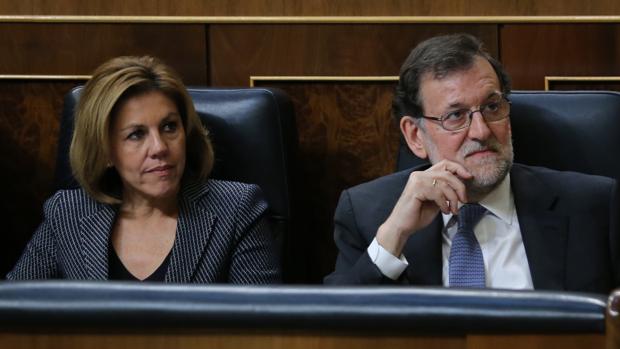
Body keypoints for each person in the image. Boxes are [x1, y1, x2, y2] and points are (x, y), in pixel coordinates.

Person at [324, 33, 620, 293]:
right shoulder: (366, 214)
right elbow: (330, 331)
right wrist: (395, 235)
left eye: (492, 107)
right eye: (455, 115)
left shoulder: (593, 207)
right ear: (415, 136)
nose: (481, 131)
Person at [7, 56, 280, 283]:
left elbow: (263, 329)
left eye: (169, 127)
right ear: (105, 152)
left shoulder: (236, 209)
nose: (159, 147)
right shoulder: (68, 214)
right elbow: (13, 315)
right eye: (136, 134)